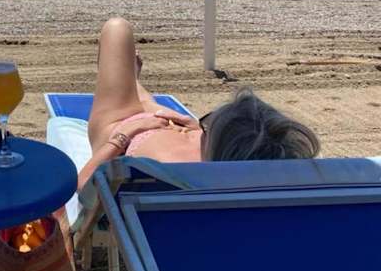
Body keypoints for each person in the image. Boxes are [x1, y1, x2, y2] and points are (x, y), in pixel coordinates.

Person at [78, 17, 319, 187]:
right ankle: (133, 82)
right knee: (142, 96)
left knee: (117, 28)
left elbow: (83, 187)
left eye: (210, 125)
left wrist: (123, 137)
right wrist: (195, 127)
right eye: (207, 126)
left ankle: (130, 79)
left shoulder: (168, 172)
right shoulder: (230, 167)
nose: (204, 128)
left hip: (120, 124)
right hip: (165, 122)